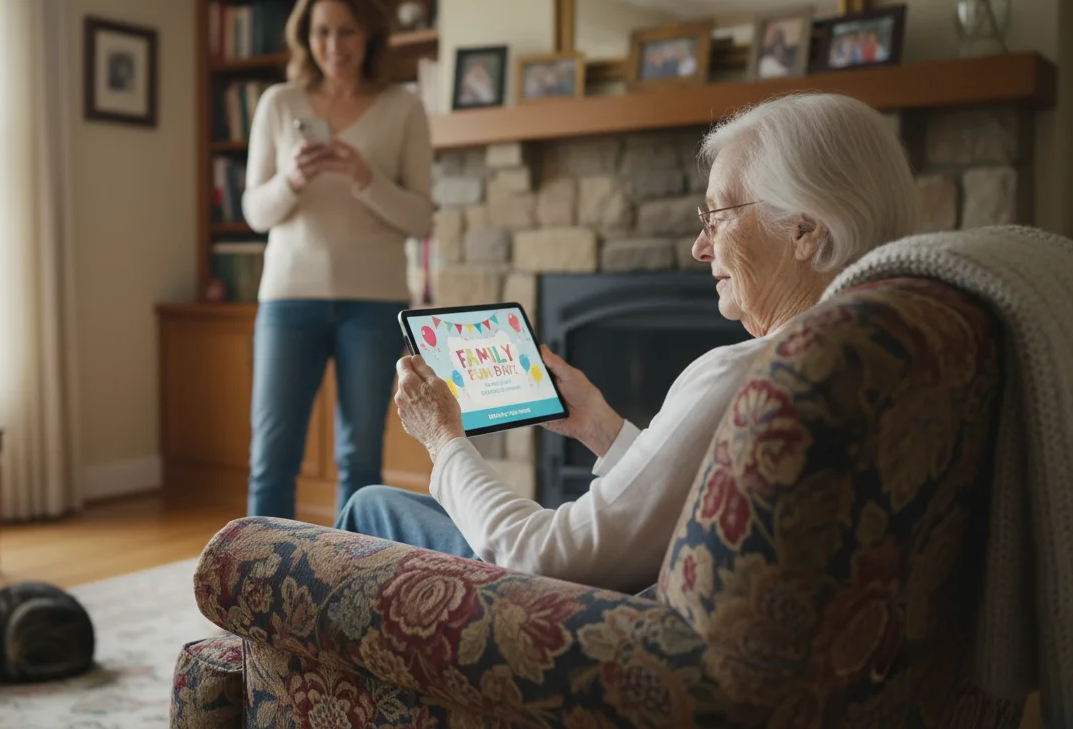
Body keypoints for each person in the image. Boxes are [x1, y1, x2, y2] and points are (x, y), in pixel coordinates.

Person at [334, 93, 921, 592]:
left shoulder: (744, 375)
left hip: (597, 632)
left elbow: (547, 557)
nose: (700, 247)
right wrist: (598, 427)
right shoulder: (880, 352)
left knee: (371, 505)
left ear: (805, 230)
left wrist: (443, 439)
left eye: (718, 216)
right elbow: (693, 499)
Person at [241, 0, 434, 518]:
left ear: (369, 33)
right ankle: (258, 582)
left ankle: (349, 588)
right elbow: (255, 211)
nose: (334, 46)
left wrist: (364, 176)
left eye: (346, 31)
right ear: (306, 37)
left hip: (372, 304)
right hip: (287, 299)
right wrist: (292, 181)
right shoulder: (279, 103)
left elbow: (420, 217)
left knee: (361, 459)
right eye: (321, 32)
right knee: (271, 457)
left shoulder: (403, 107)